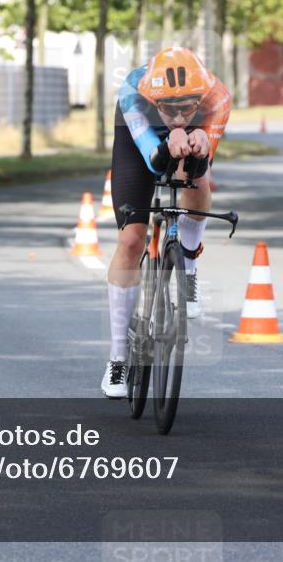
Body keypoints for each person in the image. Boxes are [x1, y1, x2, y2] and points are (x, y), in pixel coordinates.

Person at [102, 46, 231, 398]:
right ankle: (117, 358)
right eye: (168, 108)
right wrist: (170, 138)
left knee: (199, 181)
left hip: (190, 141)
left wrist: (203, 142)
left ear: (201, 97)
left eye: (188, 107)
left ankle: (187, 271)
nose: (177, 115)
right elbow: (153, 161)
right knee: (131, 239)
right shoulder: (133, 92)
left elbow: (198, 168)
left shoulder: (218, 96)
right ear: (152, 98)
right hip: (139, 142)